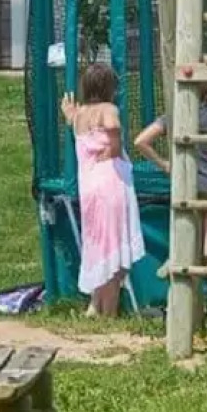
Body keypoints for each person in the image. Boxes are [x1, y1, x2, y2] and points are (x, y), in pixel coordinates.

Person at [134, 82, 207, 325]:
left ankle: (181, 313)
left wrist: (165, 164)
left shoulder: (177, 116)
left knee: (185, 251)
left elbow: (140, 141)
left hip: (188, 190)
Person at [62, 63, 145, 317]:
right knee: (113, 248)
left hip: (89, 188)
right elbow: (112, 124)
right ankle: (109, 313)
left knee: (98, 244)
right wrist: (114, 142)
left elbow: (78, 127)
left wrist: (71, 116)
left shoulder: (79, 117)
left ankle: (95, 307)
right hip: (111, 185)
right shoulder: (108, 109)